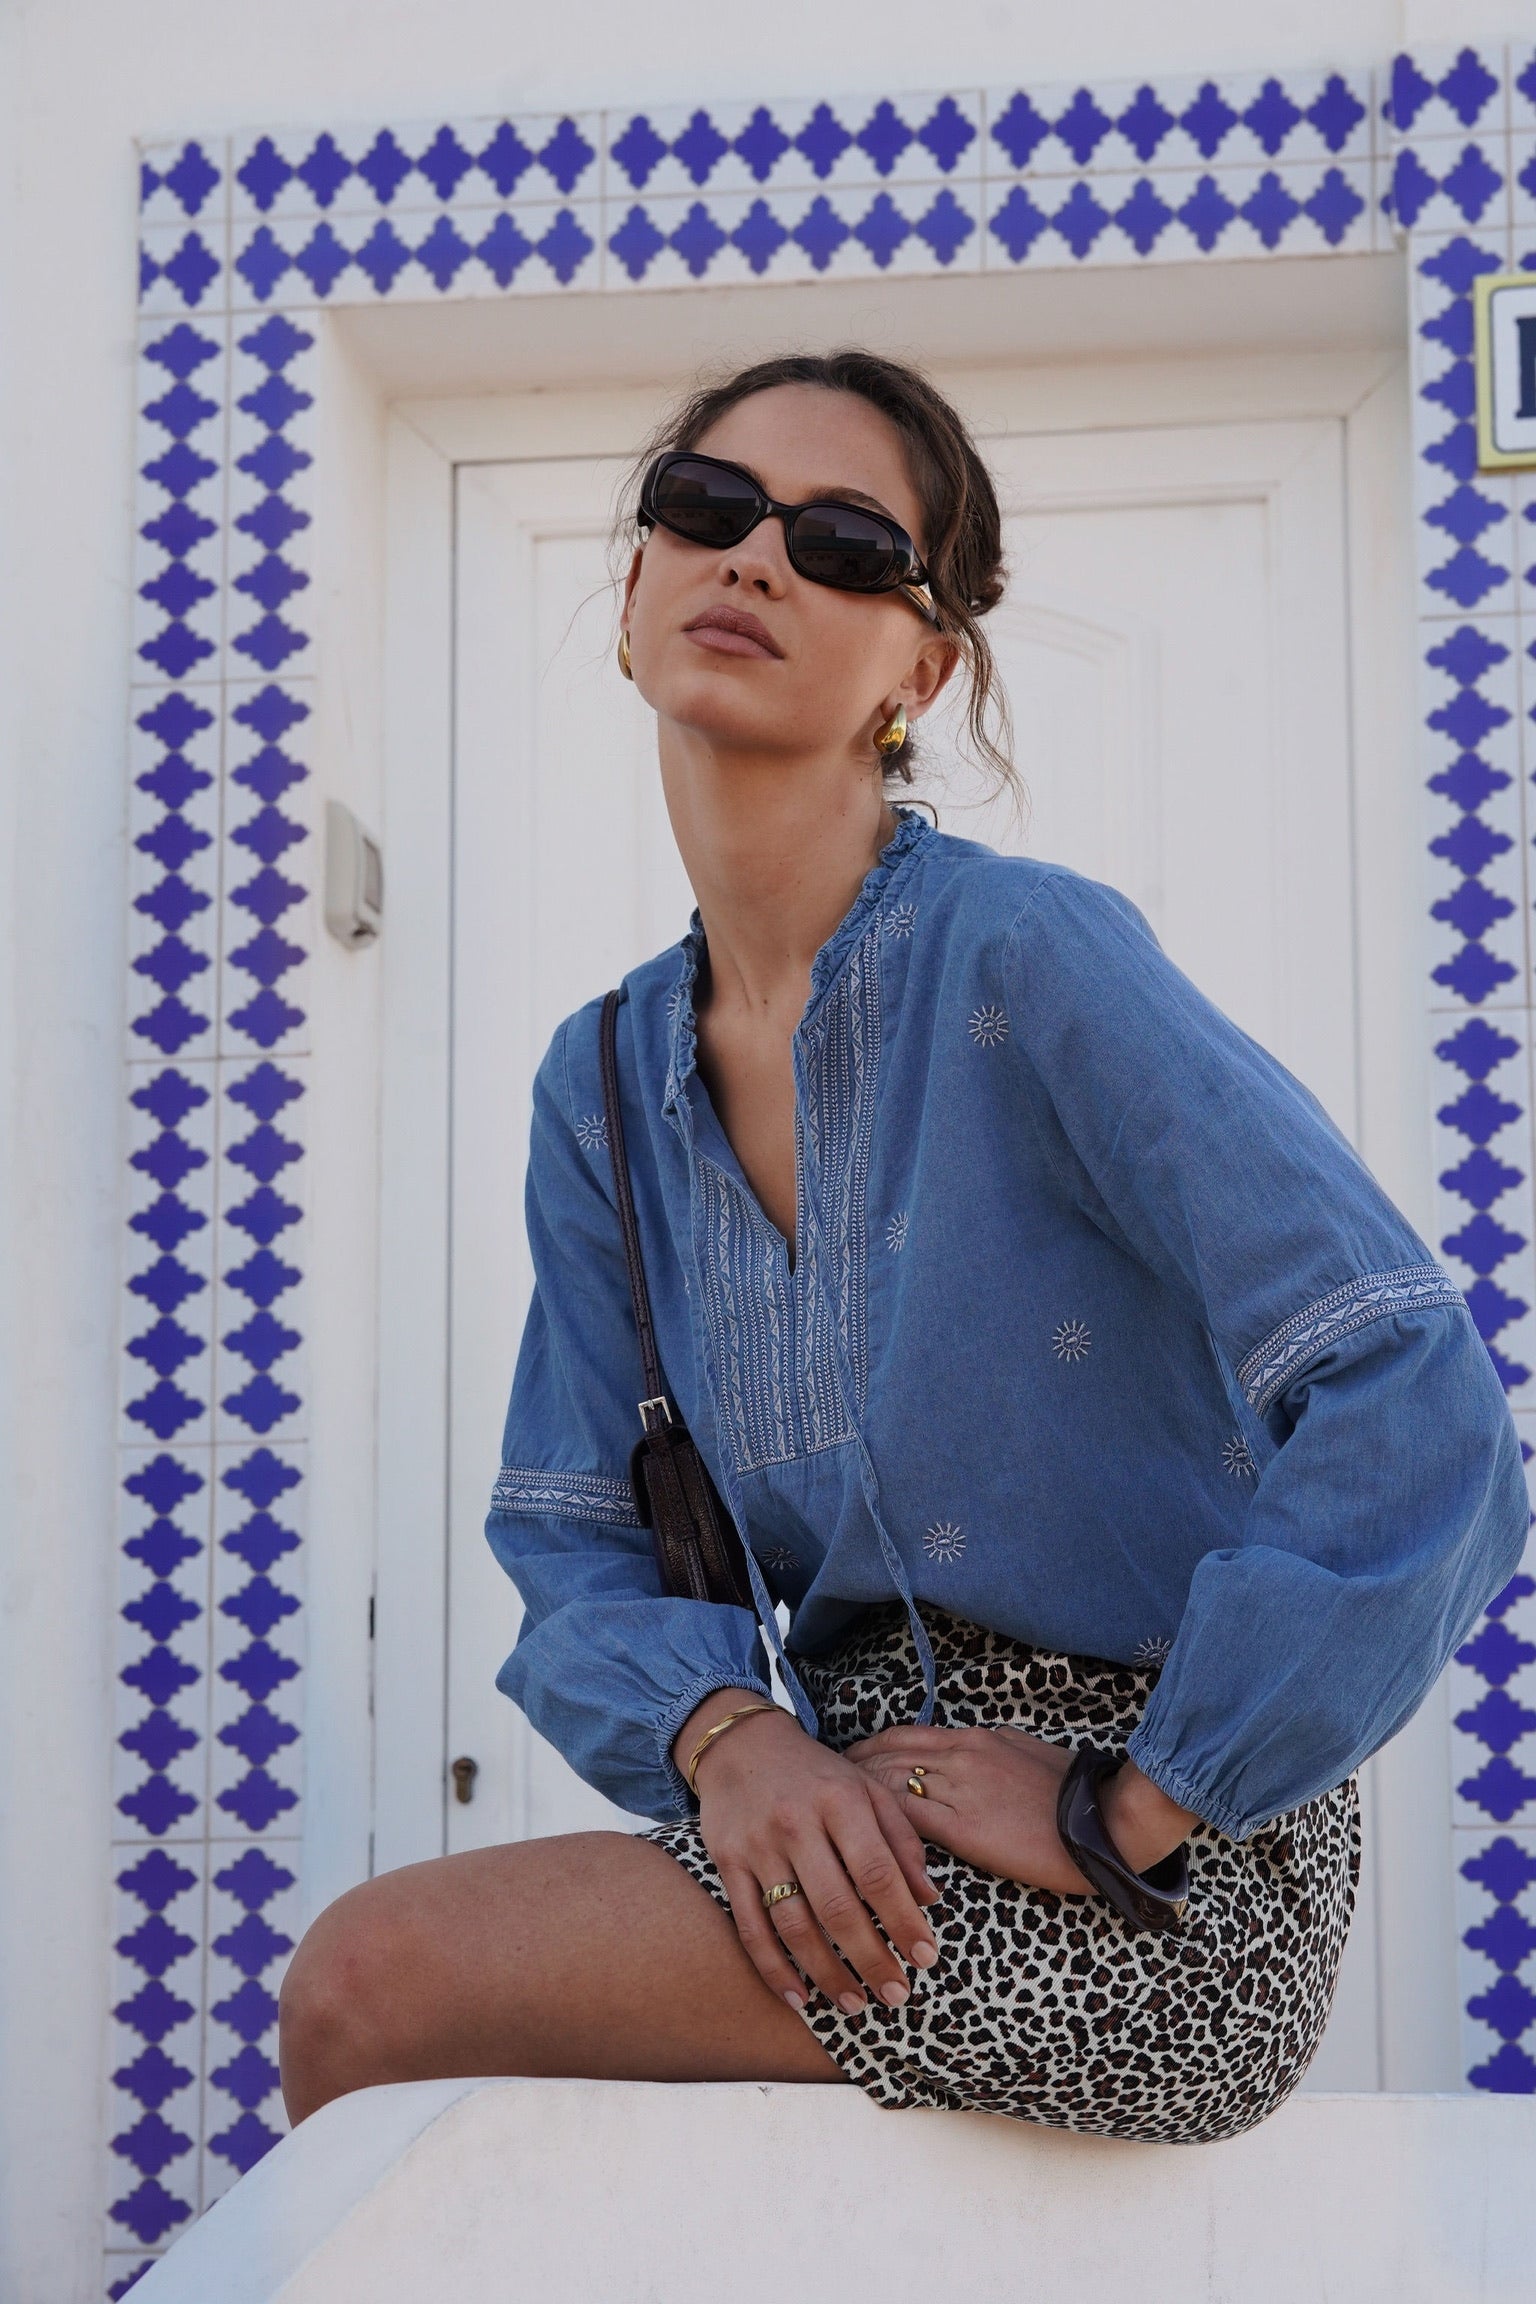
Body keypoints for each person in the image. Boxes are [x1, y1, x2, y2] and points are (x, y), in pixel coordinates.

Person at [279, 349, 1526, 2140]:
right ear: (632, 587)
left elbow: (1415, 1392)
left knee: (371, 1986)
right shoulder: (604, 1083)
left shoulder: (1032, 957)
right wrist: (730, 1740)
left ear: (922, 668)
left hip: (1156, 1868)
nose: (754, 558)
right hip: (830, 1809)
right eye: (707, 508)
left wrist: (1139, 1796)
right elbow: (576, 1542)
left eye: (845, 544)